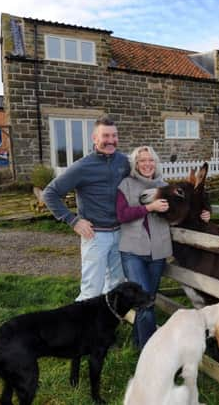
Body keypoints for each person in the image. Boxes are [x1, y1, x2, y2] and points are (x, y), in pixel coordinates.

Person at [117, 146, 210, 349]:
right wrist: (149, 208)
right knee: (146, 302)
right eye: (142, 160)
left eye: (150, 160)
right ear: (136, 164)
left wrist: (206, 214)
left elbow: (189, 208)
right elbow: (122, 215)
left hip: (158, 253)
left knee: (147, 299)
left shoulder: (163, 186)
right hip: (133, 252)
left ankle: (137, 343)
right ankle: (151, 352)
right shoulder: (126, 185)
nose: (147, 164)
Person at [43, 117, 130, 301]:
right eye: (105, 135)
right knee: (92, 290)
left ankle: (105, 326)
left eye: (114, 135)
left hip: (121, 233)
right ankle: (79, 328)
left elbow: (144, 182)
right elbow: (50, 193)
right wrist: (72, 220)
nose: (111, 140)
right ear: (94, 138)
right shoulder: (82, 166)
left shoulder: (124, 162)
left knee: (116, 286)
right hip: (95, 236)